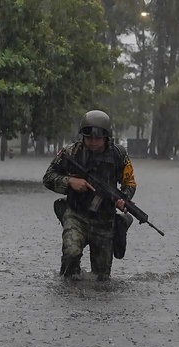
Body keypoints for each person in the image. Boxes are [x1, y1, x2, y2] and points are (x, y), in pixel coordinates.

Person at [43, 110, 137, 281]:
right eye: (89, 137)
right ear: (82, 136)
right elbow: (48, 178)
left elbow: (129, 183)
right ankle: (70, 287)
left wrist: (124, 200)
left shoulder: (119, 155)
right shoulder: (70, 152)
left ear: (106, 137)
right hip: (76, 214)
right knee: (71, 255)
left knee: (101, 278)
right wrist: (70, 181)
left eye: (98, 138)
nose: (93, 142)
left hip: (104, 219)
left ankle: (121, 224)